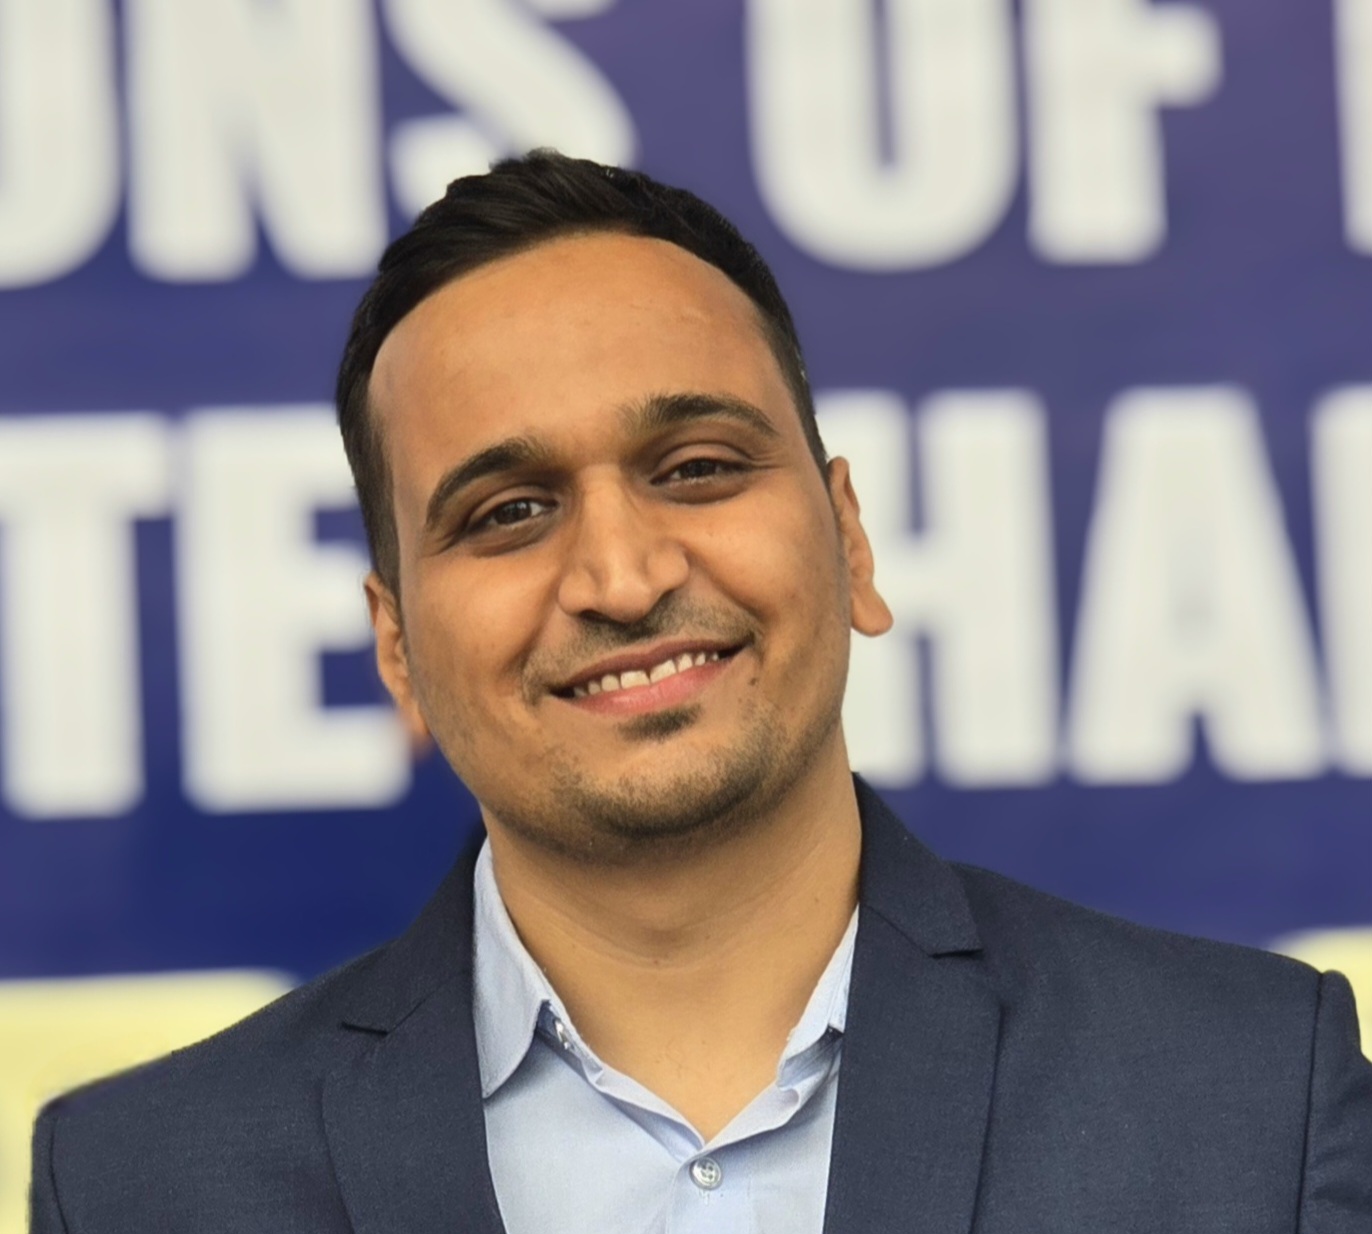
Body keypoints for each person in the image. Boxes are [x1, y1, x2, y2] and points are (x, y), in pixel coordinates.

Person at [30, 151, 1372, 1233]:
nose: (622, 576)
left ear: (850, 540)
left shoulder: (1252, 1095)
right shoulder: (142, 1188)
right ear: (397, 648)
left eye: (697, 468)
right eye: (509, 511)